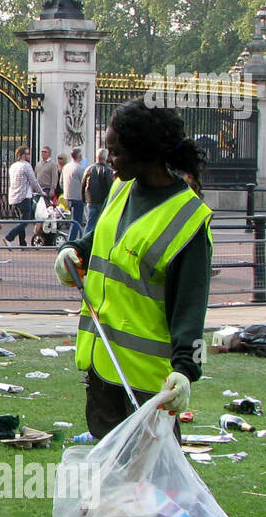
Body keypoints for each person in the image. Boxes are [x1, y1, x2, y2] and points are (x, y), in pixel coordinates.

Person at [54, 100, 212, 441]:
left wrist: (186, 370)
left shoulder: (188, 219)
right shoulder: (121, 188)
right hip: (102, 366)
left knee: (151, 488)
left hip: (149, 383)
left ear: (145, 152)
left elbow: (191, 306)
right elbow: (97, 241)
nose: (109, 159)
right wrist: (71, 251)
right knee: (110, 483)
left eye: (116, 151)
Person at [3, 145, 40, 245]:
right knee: (25, 221)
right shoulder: (26, 166)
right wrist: (40, 191)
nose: (29, 156)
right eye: (27, 154)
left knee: (21, 220)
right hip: (24, 196)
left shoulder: (13, 166)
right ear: (22, 155)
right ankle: (9, 237)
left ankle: (22, 242)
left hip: (14, 196)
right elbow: (33, 180)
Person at [81, 148, 114, 238]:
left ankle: (85, 240)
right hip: (103, 201)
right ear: (106, 158)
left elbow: (83, 185)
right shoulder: (108, 170)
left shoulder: (89, 169)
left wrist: (84, 199)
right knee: (103, 223)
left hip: (90, 200)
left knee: (90, 223)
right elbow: (111, 187)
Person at [62, 147, 86, 235]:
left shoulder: (66, 167)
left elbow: (61, 182)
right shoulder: (80, 168)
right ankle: (72, 240)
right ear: (79, 156)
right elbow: (84, 183)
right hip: (78, 197)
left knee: (74, 220)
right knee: (77, 222)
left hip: (68, 196)